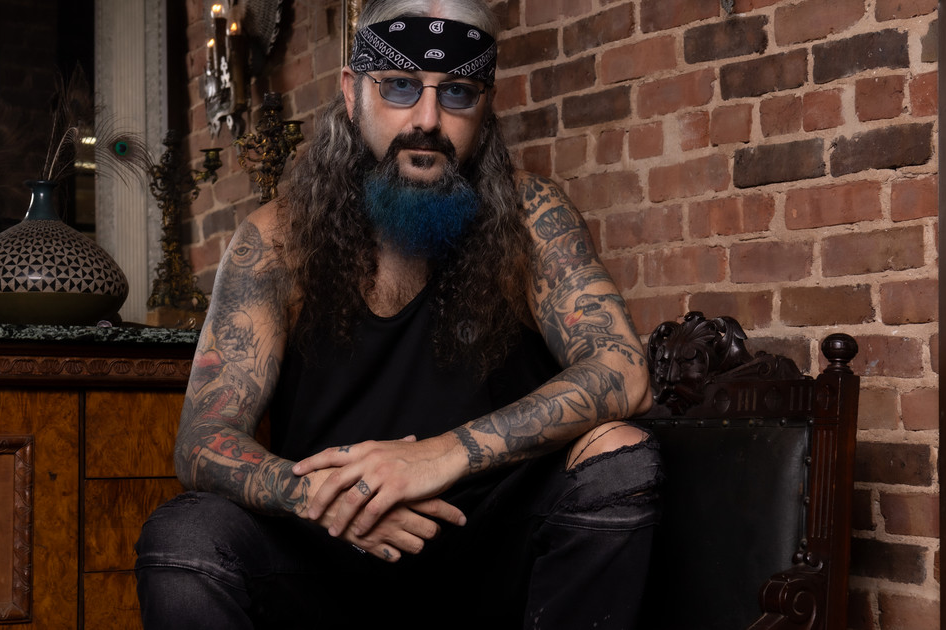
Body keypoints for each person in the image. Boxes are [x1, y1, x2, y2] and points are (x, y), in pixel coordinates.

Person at [135, 0, 662, 627]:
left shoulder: (532, 217)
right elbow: (202, 440)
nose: (428, 120)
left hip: (490, 553)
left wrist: (439, 456)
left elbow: (624, 371)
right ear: (352, 91)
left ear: (486, 105)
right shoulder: (276, 242)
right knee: (185, 536)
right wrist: (325, 497)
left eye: (457, 92)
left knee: (619, 454)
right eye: (400, 87)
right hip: (326, 560)